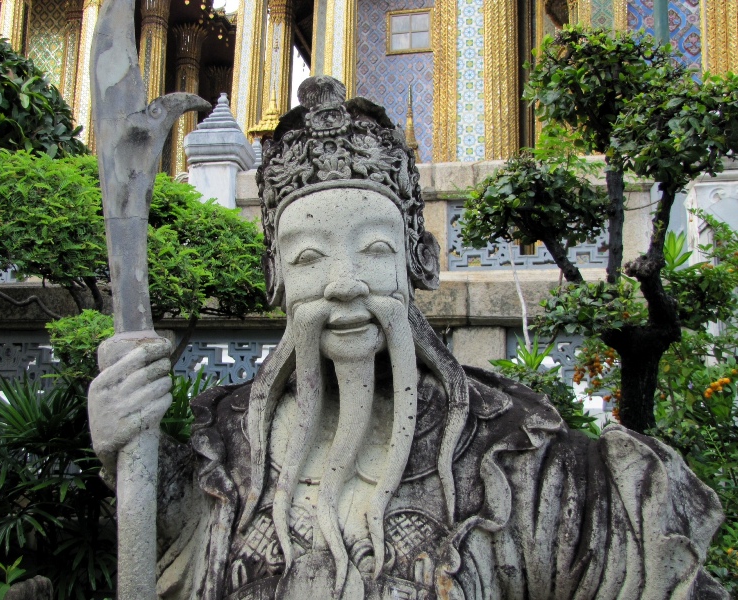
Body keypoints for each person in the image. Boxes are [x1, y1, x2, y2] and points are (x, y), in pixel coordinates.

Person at [88, 76, 728, 600]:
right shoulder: (227, 450)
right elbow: (180, 539)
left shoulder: (522, 461)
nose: (343, 284)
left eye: (373, 249)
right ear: (274, 276)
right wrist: (126, 446)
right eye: (308, 257)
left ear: (418, 259)